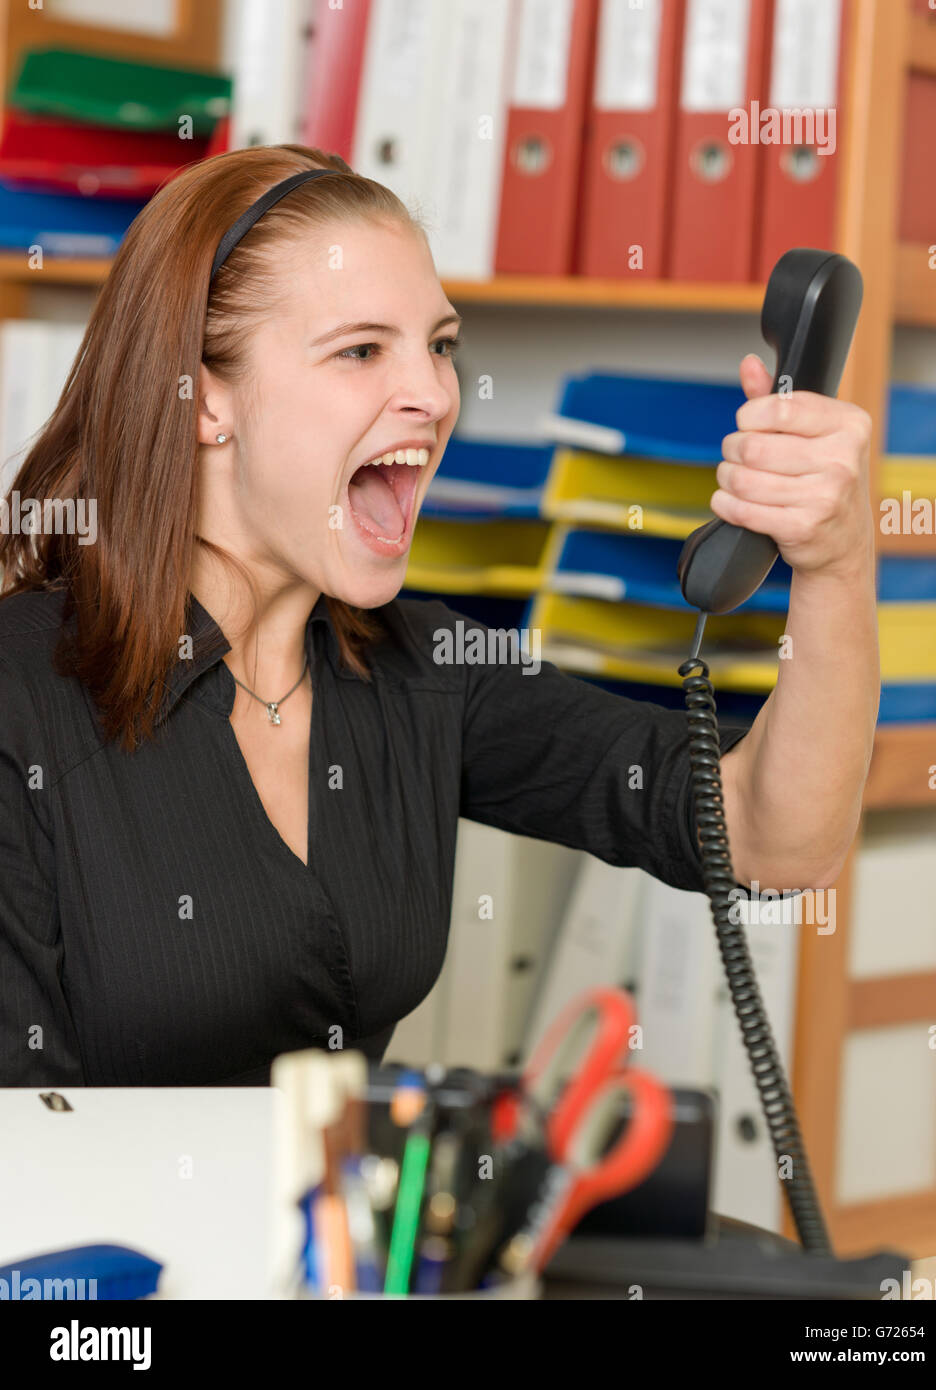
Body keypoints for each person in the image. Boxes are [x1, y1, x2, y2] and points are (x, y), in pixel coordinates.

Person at [0, 146, 879, 1086]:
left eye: (441, 344)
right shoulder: (22, 699)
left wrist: (834, 563)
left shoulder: (421, 667)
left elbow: (769, 839)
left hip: (339, 1229)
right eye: (361, 350)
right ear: (205, 397)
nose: (432, 395)